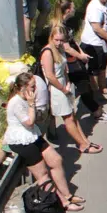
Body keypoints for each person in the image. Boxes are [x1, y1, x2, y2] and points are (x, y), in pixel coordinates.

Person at [1, 73, 80, 213]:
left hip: (32, 136)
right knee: (43, 175)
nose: (35, 88)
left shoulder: (25, 98)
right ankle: (63, 203)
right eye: (33, 86)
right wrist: (32, 104)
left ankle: (68, 195)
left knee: (56, 160)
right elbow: (30, 122)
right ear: (23, 87)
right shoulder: (16, 103)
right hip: (22, 142)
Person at [42, 25, 100, 155]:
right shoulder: (48, 52)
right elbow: (50, 76)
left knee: (72, 115)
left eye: (62, 40)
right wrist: (63, 89)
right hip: (57, 89)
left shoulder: (60, 49)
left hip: (64, 85)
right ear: (51, 37)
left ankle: (84, 140)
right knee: (68, 118)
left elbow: (64, 69)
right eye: (56, 40)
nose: (59, 43)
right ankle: (83, 145)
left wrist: (67, 82)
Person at [56, 0, 107, 124]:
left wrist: (81, 53)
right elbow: (66, 48)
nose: (75, 9)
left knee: (84, 85)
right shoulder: (59, 27)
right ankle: (97, 112)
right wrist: (80, 57)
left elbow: (72, 41)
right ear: (68, 10)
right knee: (84, 87)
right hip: (70, 63)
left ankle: (95, 110)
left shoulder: (65, 24)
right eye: (73, 7)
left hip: (75, 60)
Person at [80, 0, 107, 105]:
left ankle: (103, 87)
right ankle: (96, 94)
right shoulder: (94, 7)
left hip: (105, 41)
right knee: (94, 69)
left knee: (103, 66)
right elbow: (97, 28)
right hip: (93, 43)